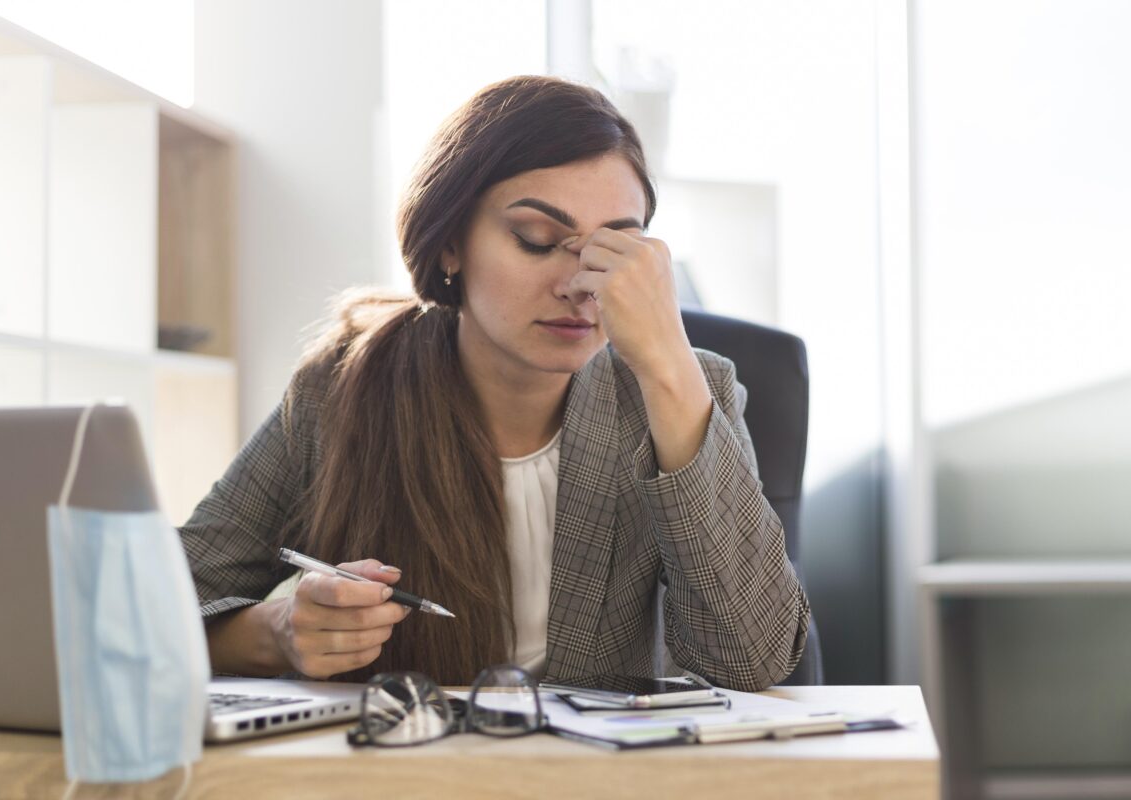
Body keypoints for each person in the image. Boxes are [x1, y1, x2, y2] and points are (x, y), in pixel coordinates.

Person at [179, 74, 810, 691]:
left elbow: (751, 659)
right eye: (538, 240)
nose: (580, 285)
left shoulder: (683, 389)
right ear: (451, 243)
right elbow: (157, 601)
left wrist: (671, 368)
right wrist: (277, 632)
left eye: (616, 251)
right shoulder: (344, 385)